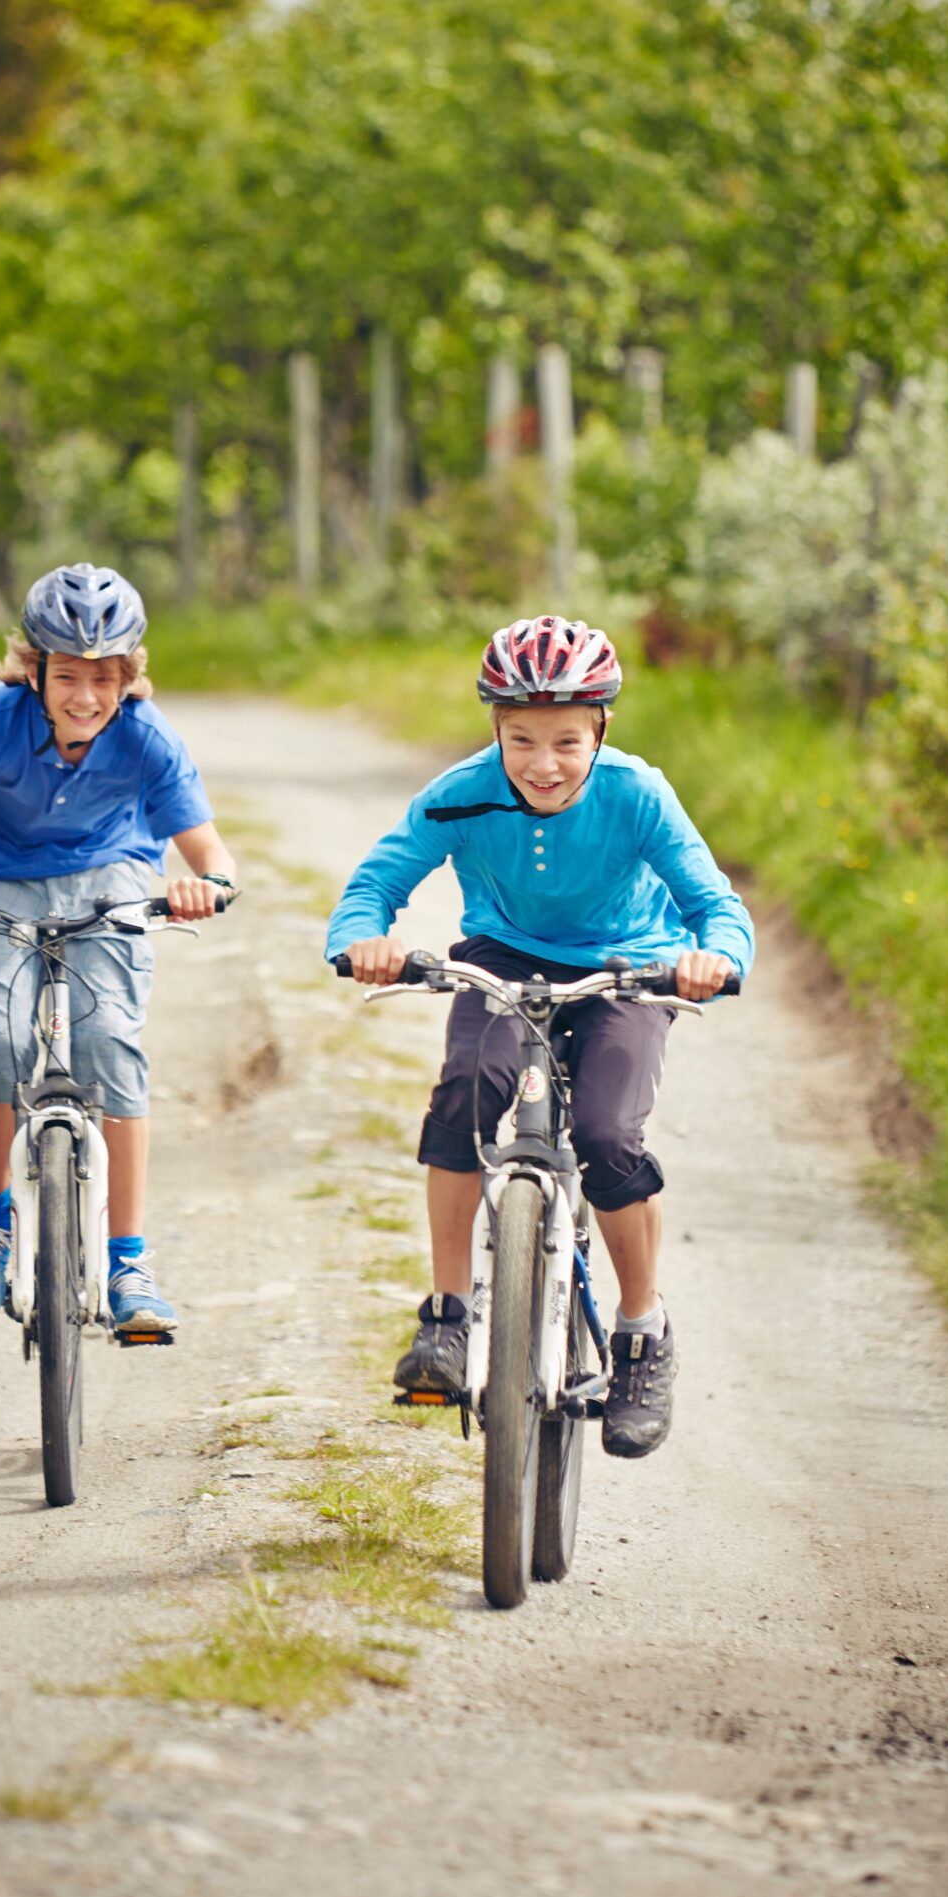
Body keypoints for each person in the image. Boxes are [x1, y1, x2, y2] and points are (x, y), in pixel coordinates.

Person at [325, 614, 752, 1458]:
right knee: (462, 1099)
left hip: (629, 969)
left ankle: (639, 1333)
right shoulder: (460, 792)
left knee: (603, 1134)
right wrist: (361, 939)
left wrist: (715, 958)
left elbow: (716, 905)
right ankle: (447, 1317)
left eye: (566, 740)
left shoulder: (637, 794)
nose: (543, 763)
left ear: (601, 730)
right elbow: (376, 881)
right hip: (505, 960)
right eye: (520, 739)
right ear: (494, 729)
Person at [0, 562, 236, 1339]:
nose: (86, 697)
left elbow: (213, 853)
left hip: (109, 879)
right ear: (33, 669)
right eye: (67, 675)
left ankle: (130, 1260)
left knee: (109, 1042)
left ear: (129, 676)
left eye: (105, 678)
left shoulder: (145, 737)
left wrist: (203, 885)